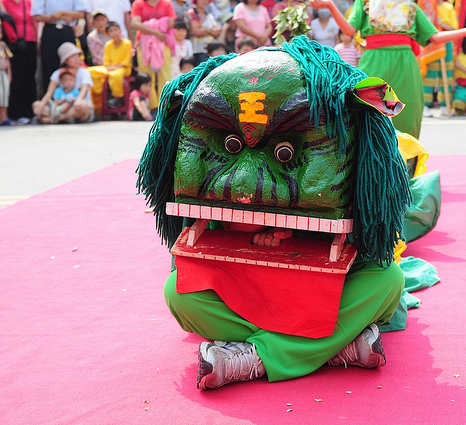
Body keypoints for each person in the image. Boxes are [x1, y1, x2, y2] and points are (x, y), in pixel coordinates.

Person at [137, 41, 413, 391]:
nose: (246, 182)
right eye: (232, 145)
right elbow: (224, 226)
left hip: (328, 286)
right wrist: (253, 230)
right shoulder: (222, 177)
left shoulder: (350, 161)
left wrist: (300, 235)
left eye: (285, 151)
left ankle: (252, 356)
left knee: (387, 281)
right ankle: (332, 347)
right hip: (250, 286)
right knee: (180, 293)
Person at [309, 0, 466, 139]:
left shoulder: (410, 6)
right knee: (369, 115)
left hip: (405, 64)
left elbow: (435, 36)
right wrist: (331, 6)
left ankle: (407, 171)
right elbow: (349, 31)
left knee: (407, 115)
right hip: (375, 62)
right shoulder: (365, 2)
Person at [31, 0, 87, 95]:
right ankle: (50, 101)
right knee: (49, 66)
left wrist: (62, 13)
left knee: (70, 65)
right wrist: (54, 18)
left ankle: (72, 97)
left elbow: (81, 13)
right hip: (50, 31)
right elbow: (37, 15)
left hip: (67, 31)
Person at [130, 0, 176, 110]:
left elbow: (171, 22)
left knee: (164, 75)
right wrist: (156, 31)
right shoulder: (138, 3)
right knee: (145, 76)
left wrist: (147, 25)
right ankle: (150, 107)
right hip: (144, 45)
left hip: (163, 43)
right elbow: (135, 23)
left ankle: (165, 106)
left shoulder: (166, 3)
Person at [32, 42, 94, 123]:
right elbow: (49, 93)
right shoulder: (57, 73)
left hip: (77, 107)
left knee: (81, 106)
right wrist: (41, 106)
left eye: (78, 56)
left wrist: (78, 100)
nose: (77, 59)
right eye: (73, 57)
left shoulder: (84, 72)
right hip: (60, 108)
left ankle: (56, 119)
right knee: (36, 105)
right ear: (65, 60)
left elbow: (84, 90)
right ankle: (59, 117)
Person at [2, 0, 37, 124]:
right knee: (17, 77)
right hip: (14, 44)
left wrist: (38, 42)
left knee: (30, 77)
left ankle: (30, 111)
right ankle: (16, 113)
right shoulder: (5, 2)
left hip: (30, 42)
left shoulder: (28, 2)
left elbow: (34, 22)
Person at [422, 0, 459, 117]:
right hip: (431, 42)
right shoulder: (425, 5)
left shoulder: (448, 7)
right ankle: (425, 105)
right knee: (429, 75)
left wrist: (441, 24)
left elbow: (454, 28)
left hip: (445, 40)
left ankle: (445, 104)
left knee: (446, 75)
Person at [89, 21, 132, 111]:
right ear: (108, 34)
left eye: (115, 30)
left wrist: (115, 67)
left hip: (123, 68)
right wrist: (109, 67)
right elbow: (106, 61)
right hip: (110, 68)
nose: (114, 33)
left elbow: (127, 61)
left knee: (115, 75)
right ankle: (99, 92)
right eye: (111, 31)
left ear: (120, 31)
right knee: (91, 71)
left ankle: (118, 97)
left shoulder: (127, 43)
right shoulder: (108, 45)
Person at [0, 22, 12, 125]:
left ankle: (4, 117)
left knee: (4, 96)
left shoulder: (3, 45)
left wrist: (9, 75)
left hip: (3, 74)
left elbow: (8, 61)